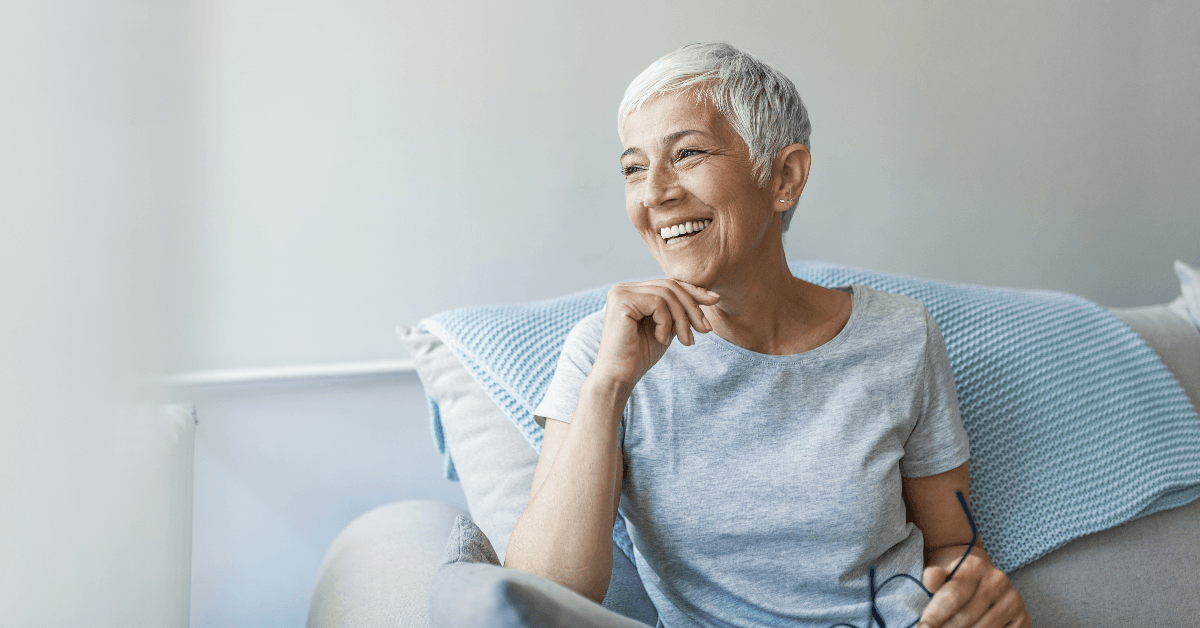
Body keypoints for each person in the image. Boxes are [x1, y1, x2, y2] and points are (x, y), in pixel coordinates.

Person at [504, 42, 1030, 628]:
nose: (654, 193)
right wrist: (607, 388)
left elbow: (952, 543)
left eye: (688, 153)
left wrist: (978, 599)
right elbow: (538, 596)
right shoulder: (604, 352)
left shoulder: (902, 335)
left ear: (784, 176)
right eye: (633, 168)